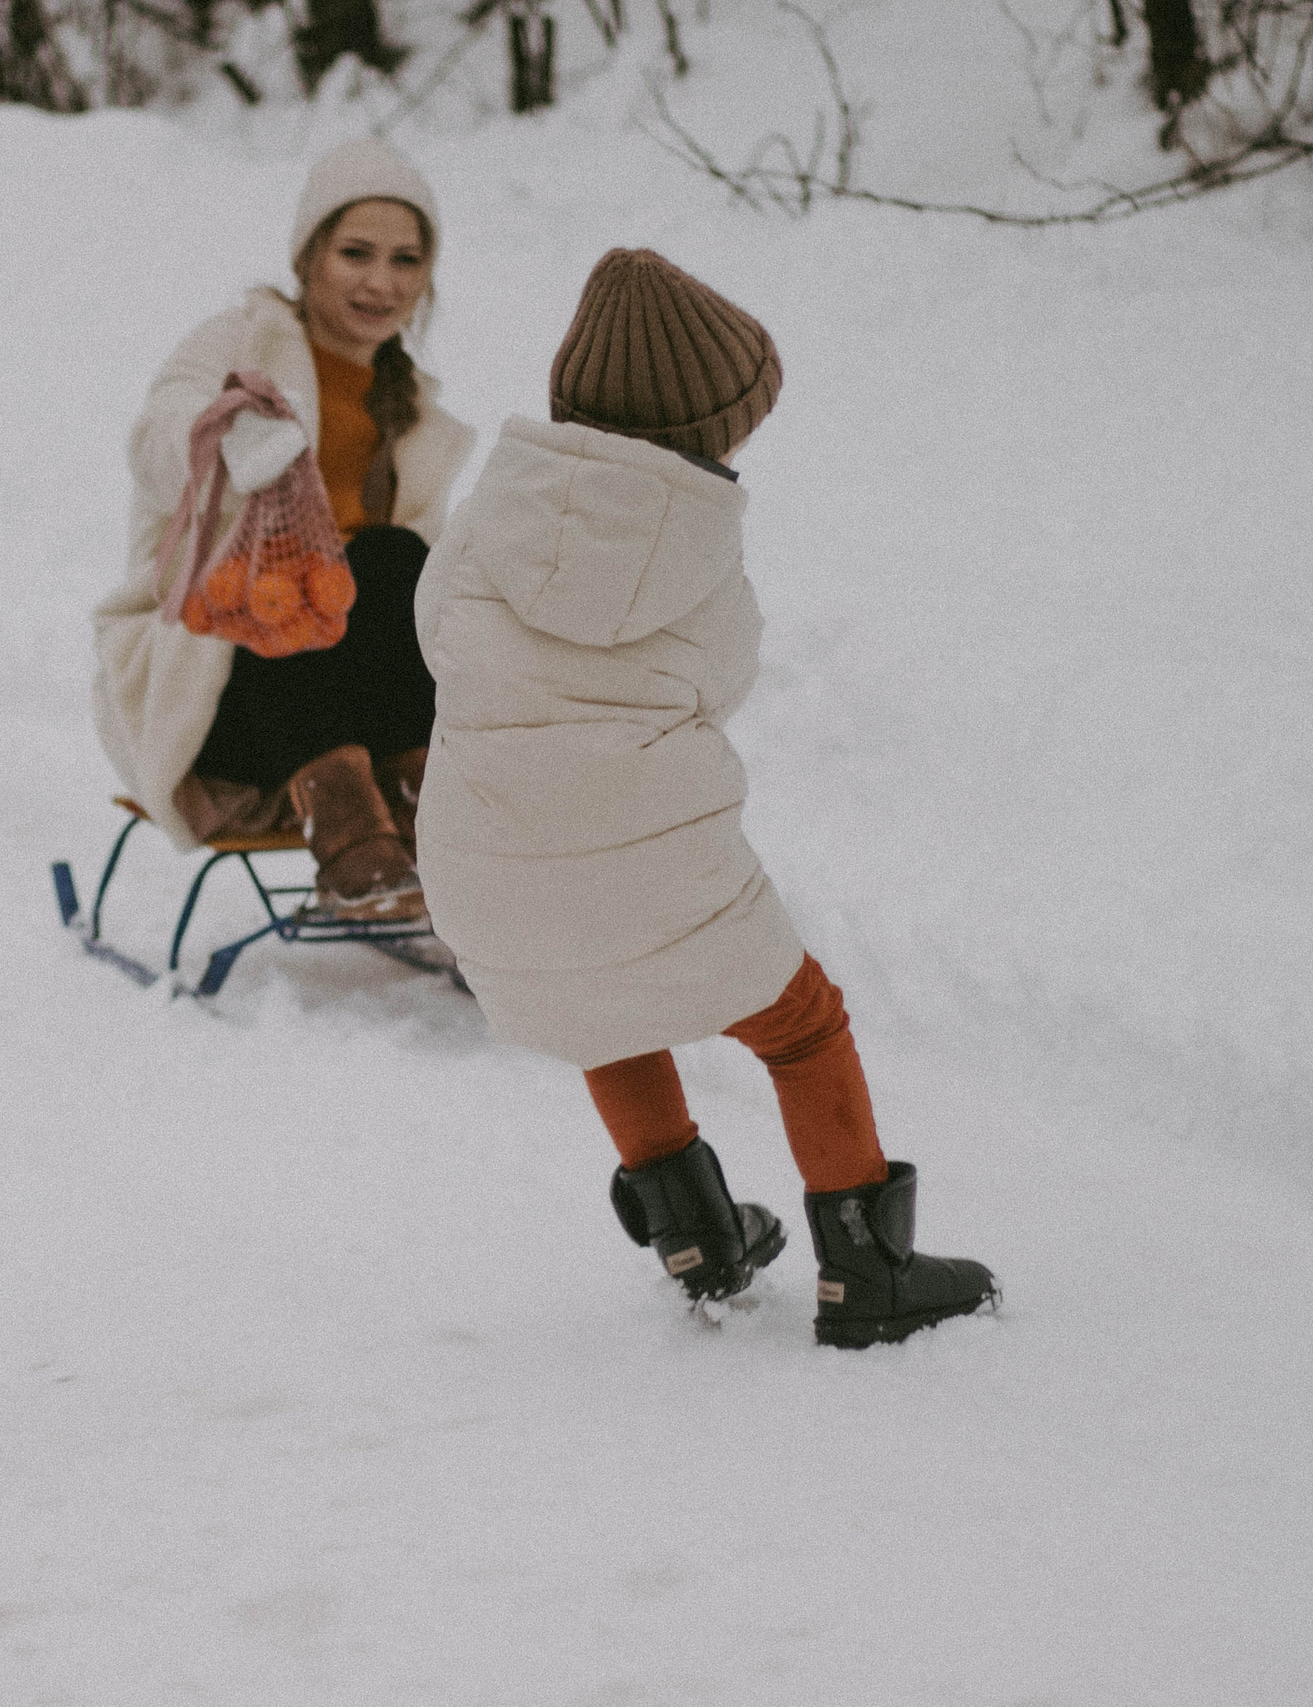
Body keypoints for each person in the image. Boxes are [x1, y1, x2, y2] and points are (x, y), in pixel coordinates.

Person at [412, 249, 997, 1347]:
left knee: (602, 1003)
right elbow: (721, 682)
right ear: (710, 431)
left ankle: (697, 1238)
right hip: (649, 860)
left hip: (482, 867)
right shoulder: (701, 552)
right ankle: (866, 1274)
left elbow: (430, 633)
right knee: (799, 1023)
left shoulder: (486, 516)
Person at [93, 139, 475, 920]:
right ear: (309, 259)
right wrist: (225, 442)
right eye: (356, 253)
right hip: (219, 692)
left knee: (399, 562)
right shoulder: (236, 346)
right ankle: (348, 834)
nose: (380, 281)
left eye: (405, 261)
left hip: (349, 709)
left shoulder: (412, 412)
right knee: (290, 584)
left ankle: (432, 823)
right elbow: (156, 436)